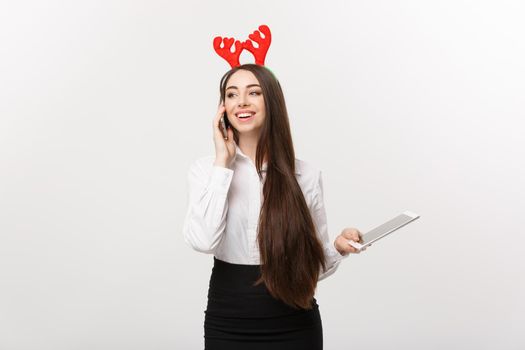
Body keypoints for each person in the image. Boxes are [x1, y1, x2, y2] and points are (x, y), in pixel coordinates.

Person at [183, 63, 364, 350]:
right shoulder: (206, 171)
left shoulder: (305, 175)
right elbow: (203, 241)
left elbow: (310, 271)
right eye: (231, 94)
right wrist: (222, 163)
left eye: (253, 92)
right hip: (228, 321)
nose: (241, 101)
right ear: (223, 108)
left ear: (272, 102)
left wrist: (339, 247)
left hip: (295, 323)